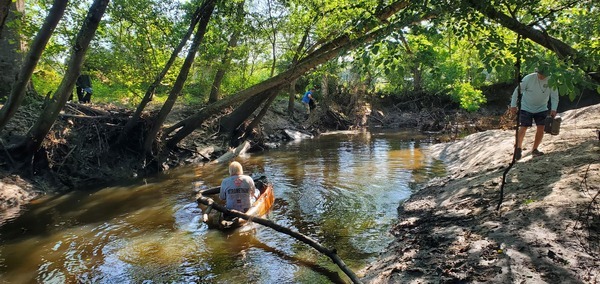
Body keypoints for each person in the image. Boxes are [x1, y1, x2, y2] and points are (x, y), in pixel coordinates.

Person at [510, 63, 559, 160]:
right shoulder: (529, 78)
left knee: (541, 128)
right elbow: (517, 91)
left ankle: (535, 149)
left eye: (543, 74)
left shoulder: (551, 81)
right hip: (526, 107)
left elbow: (554, 96)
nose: (541, 76)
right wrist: (513, 105)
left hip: (542, 108)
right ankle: (518, 148)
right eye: (540, 73)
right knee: (523, 127)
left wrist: (554, 109)